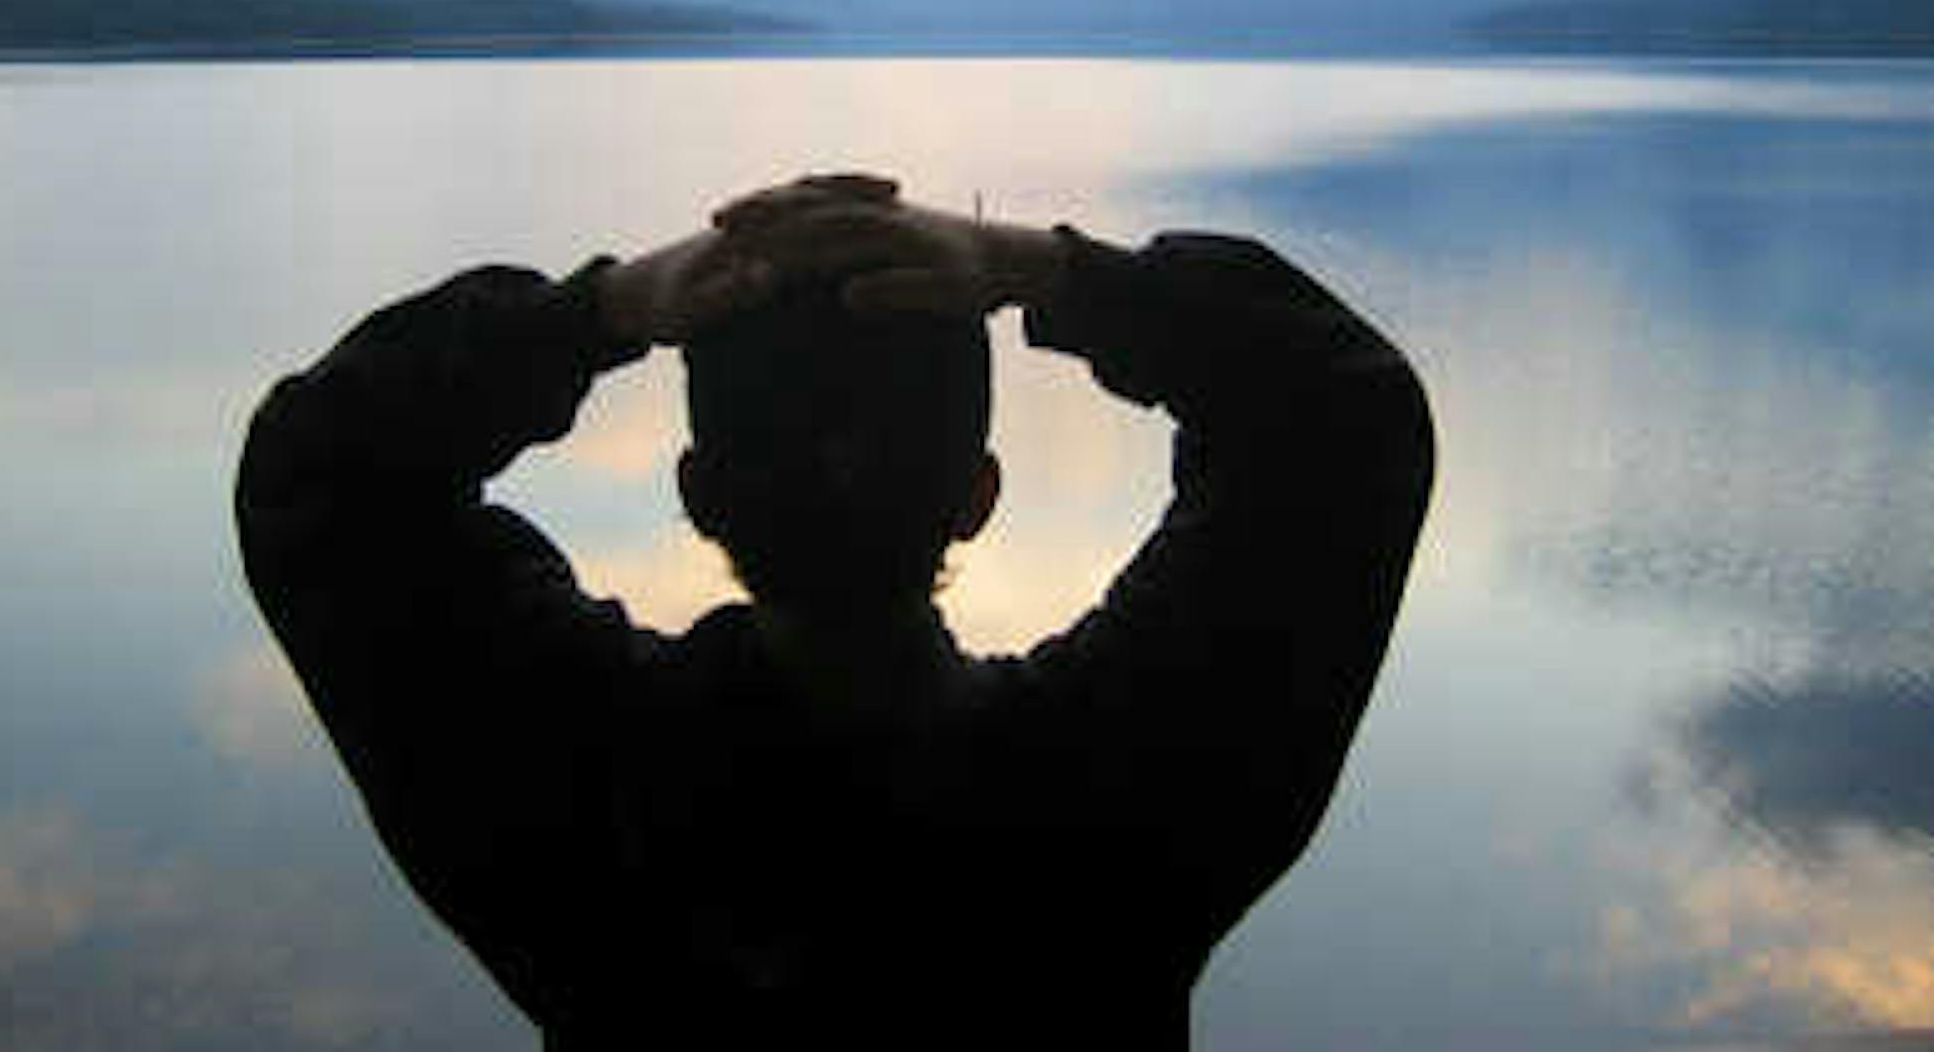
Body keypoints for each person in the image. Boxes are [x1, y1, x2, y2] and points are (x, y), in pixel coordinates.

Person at [234, 174, 1434, 1049]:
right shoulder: (1123, 792)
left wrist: (597, 313)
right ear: (979, 497)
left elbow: (319, 470)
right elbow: (1343, 412)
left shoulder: (577, 786)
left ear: (698, 495)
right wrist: (1048, 272)